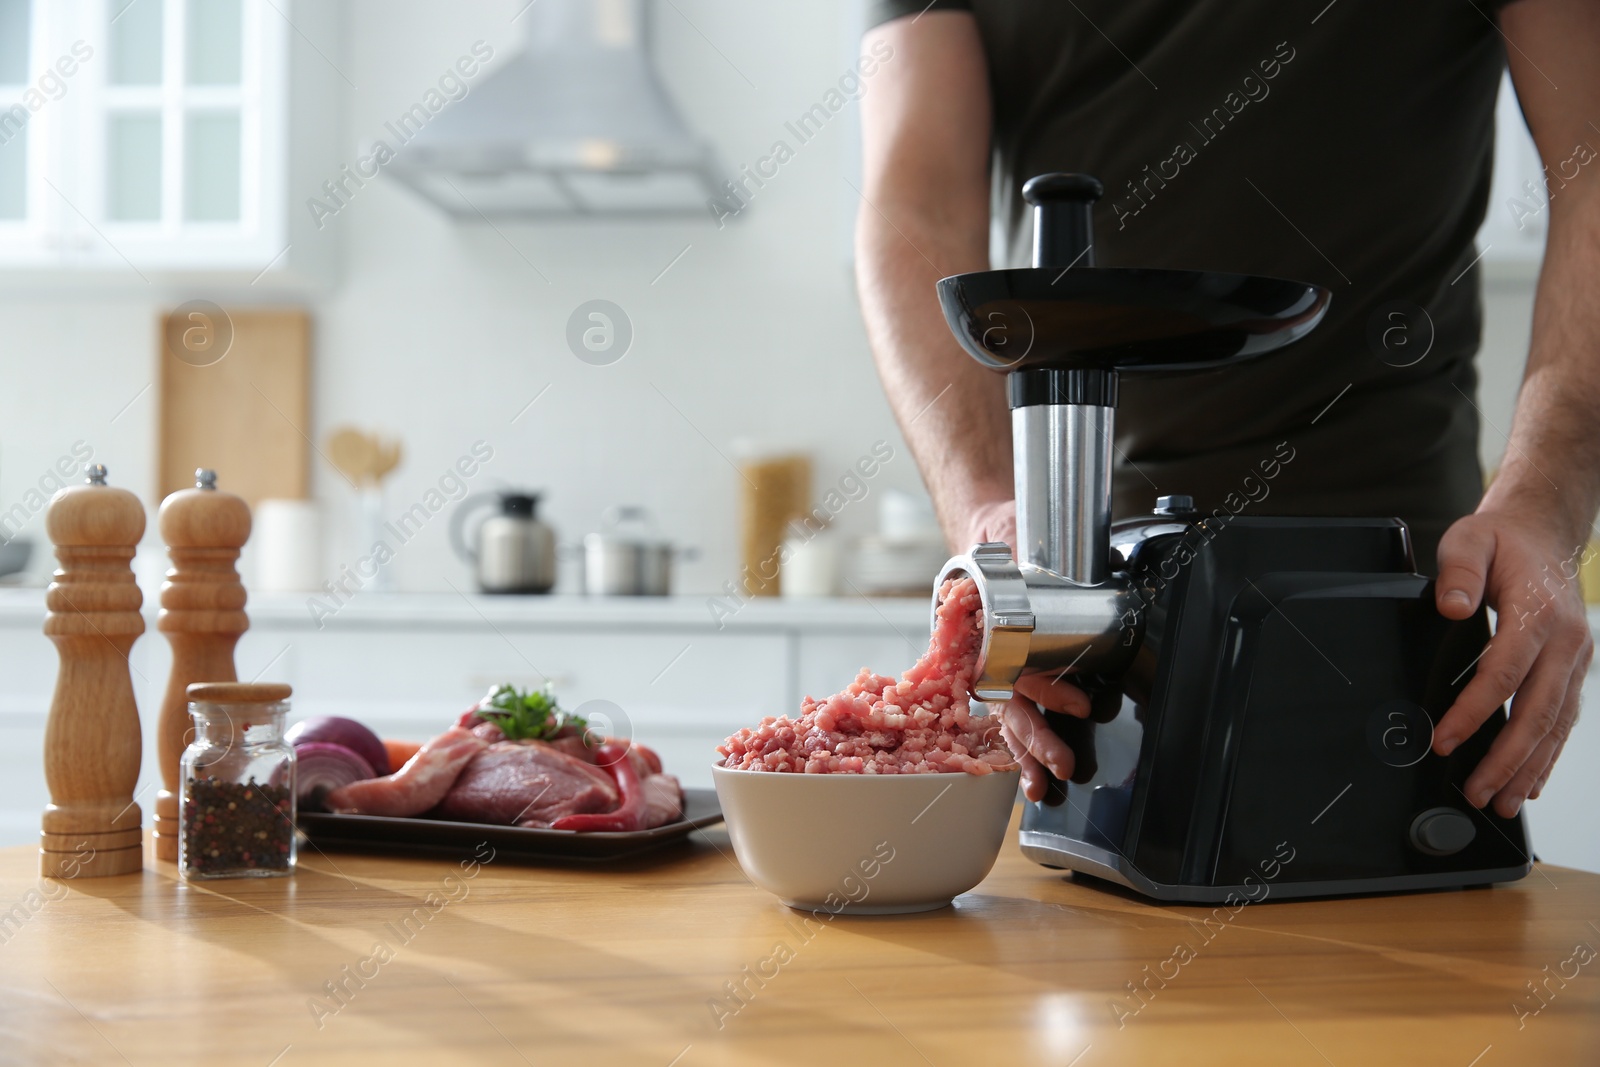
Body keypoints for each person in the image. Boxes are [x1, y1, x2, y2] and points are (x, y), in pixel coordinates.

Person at [855, 1, 1598, 818]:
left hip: (1402, 595)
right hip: (1084, 627)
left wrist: (1545, 504)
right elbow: (916, 206)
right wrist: (987, 520)